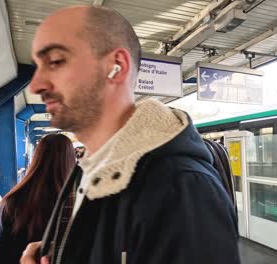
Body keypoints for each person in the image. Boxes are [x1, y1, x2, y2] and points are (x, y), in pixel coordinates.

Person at [21, 5, 239, 264]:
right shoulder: (92, 169)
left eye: (56, 61)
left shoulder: (181, 189)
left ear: (116, 66)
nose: (36, 85)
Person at [0, 134, 76, 263]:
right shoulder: (77, 200)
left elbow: (0, 257)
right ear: (71, 159)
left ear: (36, 157)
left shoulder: (16, 200)